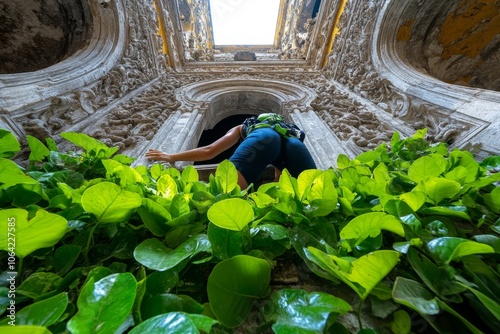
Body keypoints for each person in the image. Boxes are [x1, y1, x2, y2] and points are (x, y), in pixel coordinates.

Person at [145, 114, 317, 189]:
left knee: (229, 194)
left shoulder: (243, 127)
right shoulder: (283, 130)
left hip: (264, 139)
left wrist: (171, 156)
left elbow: (209, 151)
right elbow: (280, 173)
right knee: (313, 196)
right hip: (295, 143)